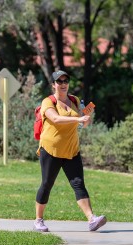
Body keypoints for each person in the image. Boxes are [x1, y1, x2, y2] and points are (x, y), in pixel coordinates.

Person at [34, 70, 107, 232]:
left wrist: (87, 115)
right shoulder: (48, 102)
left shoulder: (74, 100)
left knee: (78, 183)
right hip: (50, 150)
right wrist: (78, 118)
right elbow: (55, 119)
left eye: (65, 81)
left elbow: (82, 122)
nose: (63, 84)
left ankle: (91, 219)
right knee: (47, 184)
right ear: (53, 85)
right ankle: (38, 220)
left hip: (71, 150)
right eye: (59, 82)